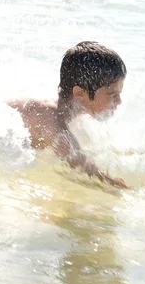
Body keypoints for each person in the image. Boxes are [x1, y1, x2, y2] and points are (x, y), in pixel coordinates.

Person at [8, 41, 128, 188]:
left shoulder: (66, 109)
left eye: (119, 94)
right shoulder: (52, 122)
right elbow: (86, 172)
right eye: (113, 94)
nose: (119, 101)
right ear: (79, 93)